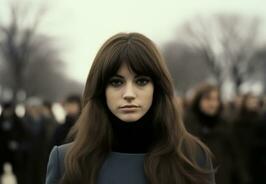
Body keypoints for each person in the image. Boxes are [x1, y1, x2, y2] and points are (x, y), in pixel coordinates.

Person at [45, 32, 215, 184]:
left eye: (141, 81)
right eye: (116, 82)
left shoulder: (193, 157)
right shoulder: (66, 161)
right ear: (101, 90)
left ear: (157, 88)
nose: (129, 94)